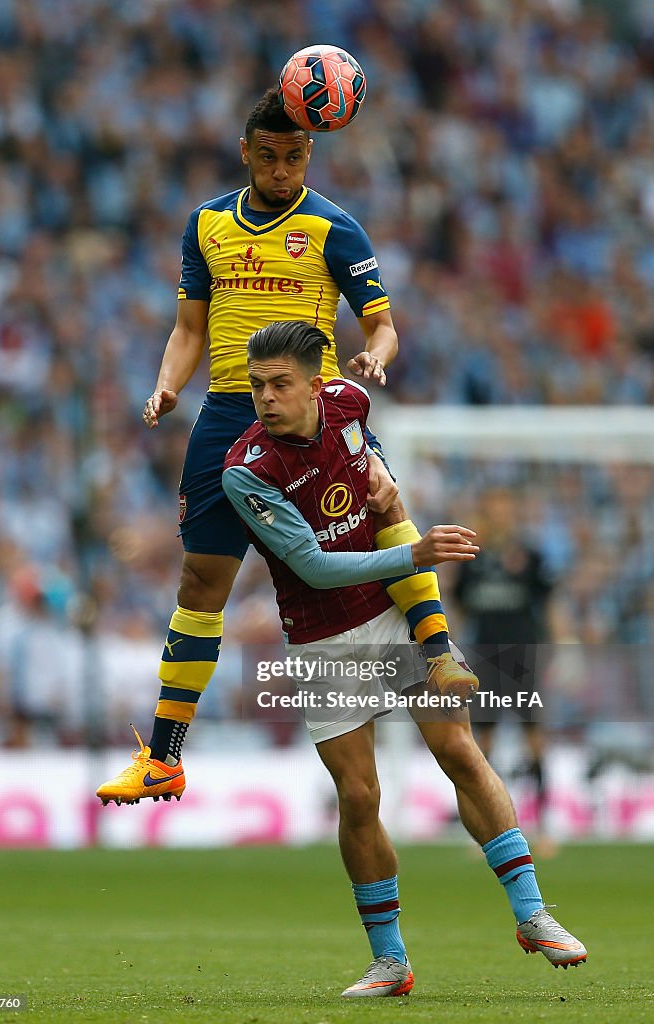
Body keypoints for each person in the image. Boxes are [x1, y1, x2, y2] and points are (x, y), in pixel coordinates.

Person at [97, 88, 475, 806]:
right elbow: (188, 330)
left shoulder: (335, 227)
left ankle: (437, 651)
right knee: (199, 584)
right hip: (227, 412)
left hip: (316, 408)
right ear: (246, 152)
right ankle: (165, 757)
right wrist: (166, 386)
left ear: (312, 152)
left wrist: (377, 357)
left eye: (295, 156)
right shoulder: (206, 224)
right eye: (268, 156)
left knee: (384, 502)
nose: (281, 170)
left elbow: (382, 323)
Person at [221, 321, 586, 998]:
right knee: (359, 797)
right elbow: (312, 566)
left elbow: (371, 461)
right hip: (323, 636)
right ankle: (389, 961)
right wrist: (413, 554)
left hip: (393, 613)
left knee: (459, 752)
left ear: (313, 384)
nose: (266, 398)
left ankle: (534, 914)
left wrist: (383, 476)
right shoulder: (248, 472)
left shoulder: (351, 403)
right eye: (256, 386)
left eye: (279, 384)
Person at [452, 489, 554, 839]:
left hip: (523, 655)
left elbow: (548, 605)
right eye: (494, 506)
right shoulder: (472, 557)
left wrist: (565, 650)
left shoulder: (531, 556)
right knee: (484, 741)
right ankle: (489, 826)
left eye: (506, 507)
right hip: (484, 657)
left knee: (534, 735)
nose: (500, 514)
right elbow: (458, 606)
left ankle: (541, 824)